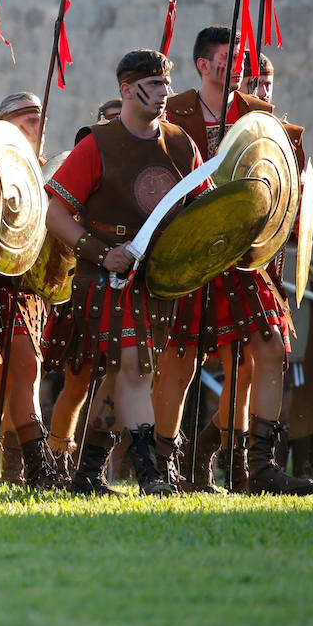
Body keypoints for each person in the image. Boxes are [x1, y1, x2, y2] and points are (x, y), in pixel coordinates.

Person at [156, 26, 313, 495]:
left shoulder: (258, 115)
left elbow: (279, 183)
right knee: (179, 362)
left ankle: (260, 467)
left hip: (242, 258)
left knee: (269, 349)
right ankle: (165, 467)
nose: (235, 65)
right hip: (188, 250)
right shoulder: (175, 112)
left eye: (240, 57)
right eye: (225, 57)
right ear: (204, 64)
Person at [44, 48, 195, 496]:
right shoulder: (97, 144)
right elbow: (55, 214)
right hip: (105, 276)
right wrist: (98, 251)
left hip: (157, 278)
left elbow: (200, 210)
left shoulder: (180, 143)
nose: (164, 94)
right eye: (153, 86)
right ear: (127, 90)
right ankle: (151, 474)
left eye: (167, 85)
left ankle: (88, 474)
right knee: (134, 367)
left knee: (118, 375)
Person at [0, 92, 65, 489]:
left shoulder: (43, 171)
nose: (37, 126)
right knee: (20, 369)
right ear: (5, 125)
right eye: (27, 119)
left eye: (39, 118)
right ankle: (38, 469)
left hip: (27, 288)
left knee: (6, 377)